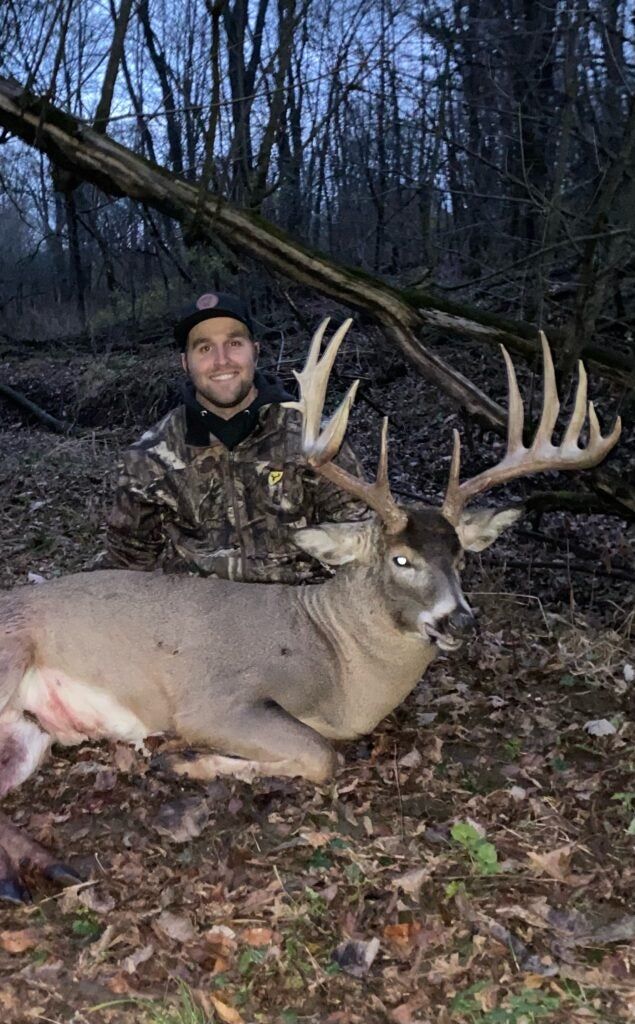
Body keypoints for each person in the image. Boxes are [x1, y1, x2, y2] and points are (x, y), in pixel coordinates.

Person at [100, 291, 367, 583]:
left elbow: (363, 539)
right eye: (204, 349)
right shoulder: (150, 456)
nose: (222, 360)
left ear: (255, 350)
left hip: (300, 614)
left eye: (234, 344)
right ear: (185, 363)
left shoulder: (311, 436)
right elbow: (124, 563)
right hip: (194, 619)